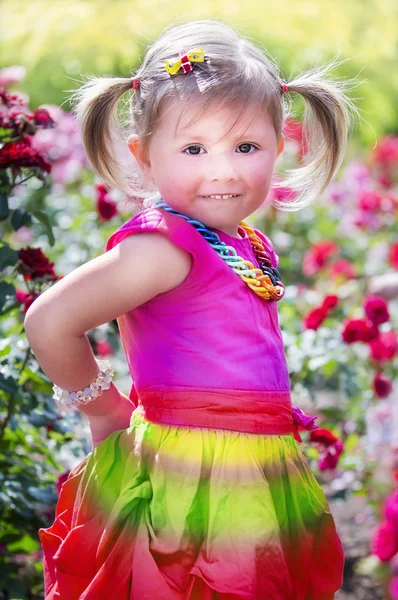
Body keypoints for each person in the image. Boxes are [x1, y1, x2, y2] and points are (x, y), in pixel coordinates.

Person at [24, 17, 360, 600]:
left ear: (279, 147)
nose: (223, 169)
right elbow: (51, 321)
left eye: (246, 146)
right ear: (145, 157)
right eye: (194, 148)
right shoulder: (162, 248)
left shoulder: (241, 239)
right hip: (188, 483)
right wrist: (103, 409)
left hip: (253, 472)